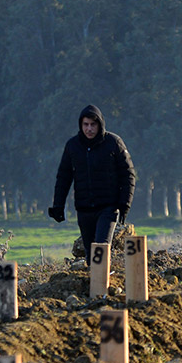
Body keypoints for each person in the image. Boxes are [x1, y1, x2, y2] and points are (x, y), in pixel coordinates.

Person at [48, 104, 136, 263]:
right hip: (83, 209)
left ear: (100, 124)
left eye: (93, 125)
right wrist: (58, 206)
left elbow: (128, 174)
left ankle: (103, 286)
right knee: (90, 256)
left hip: (108, 207)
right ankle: (94, 285)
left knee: (101, 249)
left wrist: (124, 204)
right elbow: (63, 177)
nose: (89, 129)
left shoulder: (113, 143)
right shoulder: (72, 146)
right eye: (86, 125)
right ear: (80, 125)